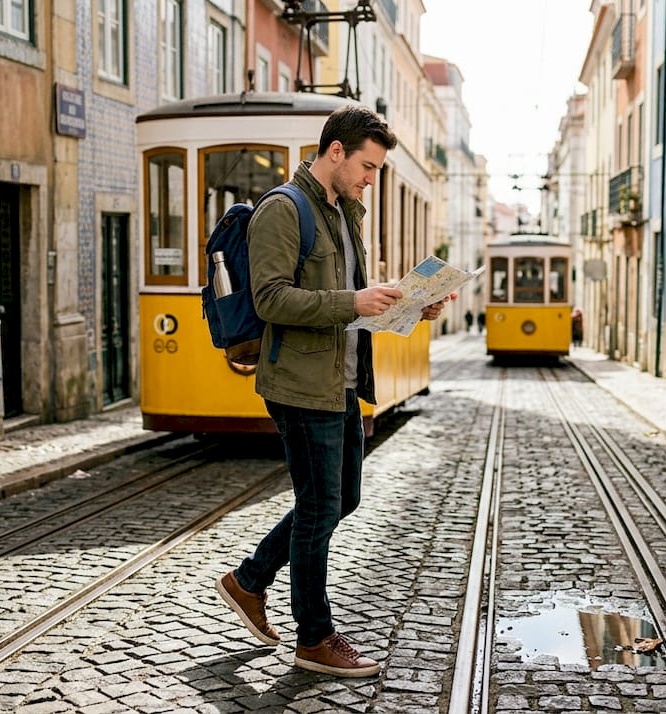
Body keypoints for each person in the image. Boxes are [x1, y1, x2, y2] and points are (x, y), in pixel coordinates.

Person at [216, 105, 449, 678]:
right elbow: (271, 299)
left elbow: (349, 301)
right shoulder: (282, 209)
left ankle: (249, 580)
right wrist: (354, 302)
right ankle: (314, 636)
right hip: (299, 384)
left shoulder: (346, 214)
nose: (371, 178)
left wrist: (409, 307)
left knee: (341, 499)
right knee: (320, 506)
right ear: (336, 152)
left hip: (340, 380)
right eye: (367, 166)